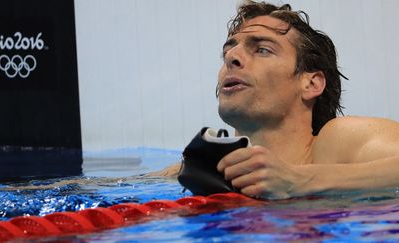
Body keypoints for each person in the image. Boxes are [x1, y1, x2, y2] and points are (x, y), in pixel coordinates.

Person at [154, 0, 399, 200]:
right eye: (228, 51)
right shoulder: (192, 171)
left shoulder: (335, 143)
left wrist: (299, 181)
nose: (231, 57)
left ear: (311, 83)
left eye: (262, 49)